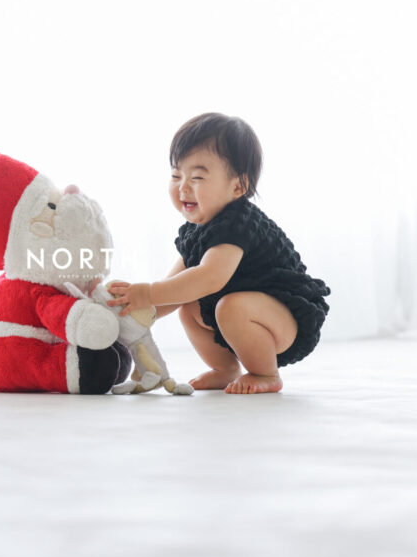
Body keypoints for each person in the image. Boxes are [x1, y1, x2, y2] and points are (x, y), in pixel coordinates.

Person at [107, 112, 331, 394]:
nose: (183, 186)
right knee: (188, 303)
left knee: (228, 305)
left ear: (238, 186)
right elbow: (172, 289)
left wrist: (148, 293)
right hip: (247, 315)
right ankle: (225, 369)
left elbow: (210, 277)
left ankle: (266, 374)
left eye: (197, 177)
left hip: (286, 319)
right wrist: (130, 310)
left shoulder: (238, 224)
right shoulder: (196, 230)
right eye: (176, 175)